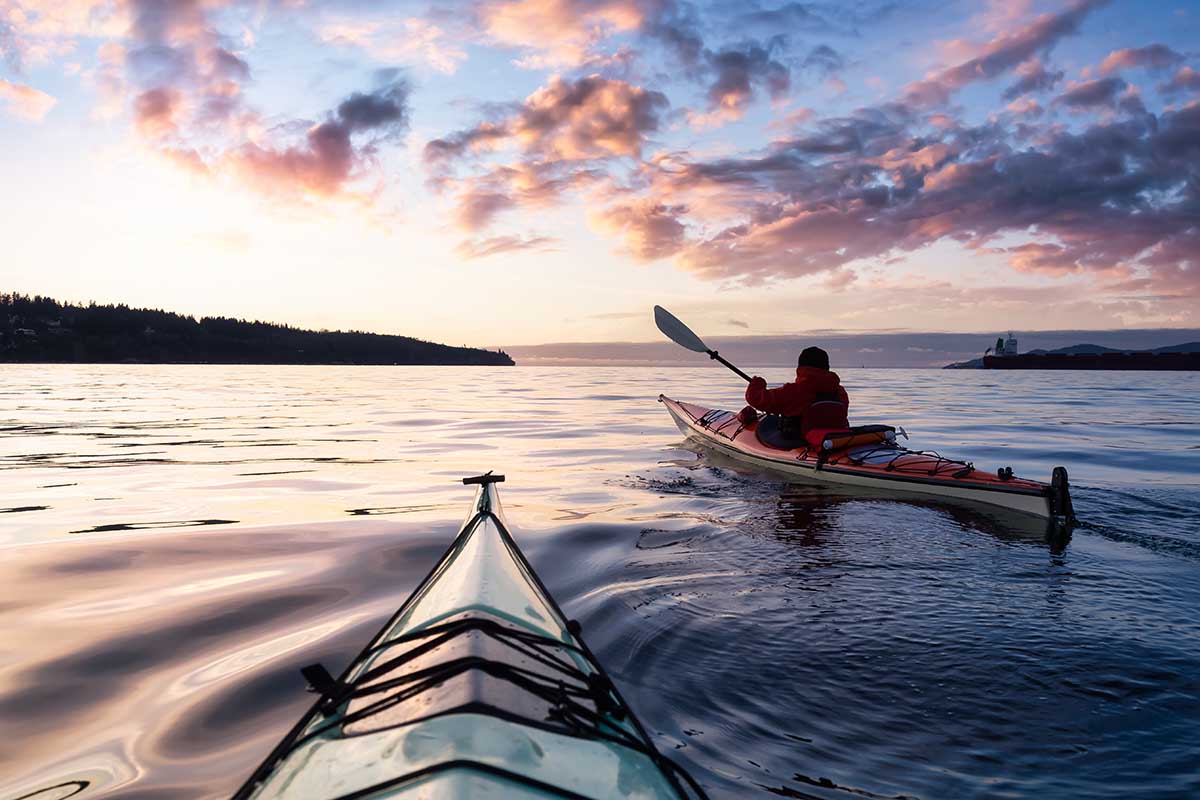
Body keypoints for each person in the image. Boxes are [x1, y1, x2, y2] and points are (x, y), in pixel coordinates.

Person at [744, 346, 850, 446]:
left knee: (770, 423)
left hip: (800, 442)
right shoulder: (840, 392)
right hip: (835, 441)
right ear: (827, 367)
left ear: (801, 368)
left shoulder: (794, 391)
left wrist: (757, 383)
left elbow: (755, 398)